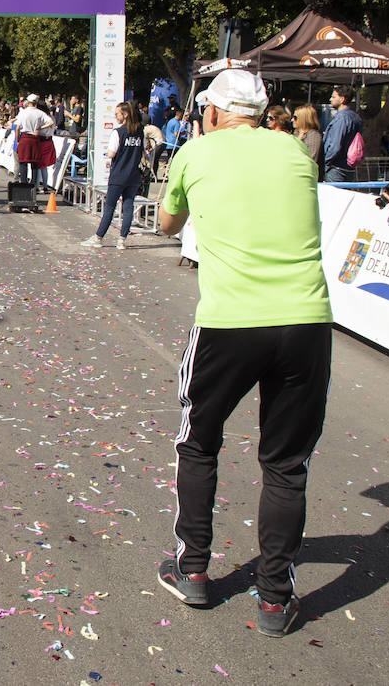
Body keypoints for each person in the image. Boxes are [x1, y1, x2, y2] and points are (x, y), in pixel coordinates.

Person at [154, 68, 332, 639]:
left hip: (229, 322)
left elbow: (166, 222)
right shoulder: (297, 154)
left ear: (210, 112)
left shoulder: (195, 152)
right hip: (305, 320)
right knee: (286, 464)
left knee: (198, 441)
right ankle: (276, 601)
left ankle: (194, 570)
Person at [81, 101, 144, 249]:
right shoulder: (140, 132)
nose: (115, 116)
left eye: (117, 114)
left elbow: (111, 153)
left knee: (109, 207)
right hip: (133, 175)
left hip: (118, 175)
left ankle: (98, 237)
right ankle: (122, 240)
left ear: (125, 114)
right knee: (128, 207)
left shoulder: (118, 132)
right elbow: (142, 151)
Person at [13, 94, 56, 192]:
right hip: (35, 138)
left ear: (28, 102)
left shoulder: (23, 113)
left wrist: (17, 140)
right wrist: (40, 127)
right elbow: (51, 122)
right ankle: (34, 186)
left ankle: (24, 185)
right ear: (36, 102)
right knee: (35, 164)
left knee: (23, 163)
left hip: (24, 137)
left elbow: (18, 127)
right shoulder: (40, 113)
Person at [321, 85, 363, 182]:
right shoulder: (355, 117)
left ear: (342, 99)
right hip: (349, 166)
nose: (330, 99)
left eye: (334, 97)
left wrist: (325, 163)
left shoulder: (342, 118)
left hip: (336, 168)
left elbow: (335, 146)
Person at [292, 105, 325, 181]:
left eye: (295, 117)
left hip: (306, 178)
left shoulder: (313, 136)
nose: (292, 120)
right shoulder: (296, 134)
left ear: (303, 119)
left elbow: (311, 159)